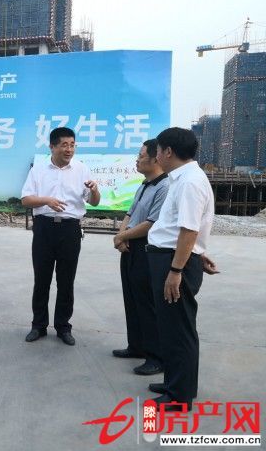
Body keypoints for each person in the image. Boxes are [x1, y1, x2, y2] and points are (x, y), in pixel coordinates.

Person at [145, 127, 218, 411]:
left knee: (179, 330)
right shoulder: (183, 178)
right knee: (171, 327)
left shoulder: (189, 182)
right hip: (174, 259)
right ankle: (174, 382)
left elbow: (189, 229)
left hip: (173, 263)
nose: (155, 156)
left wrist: (177, 270)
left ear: (168, 152)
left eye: (157, 151)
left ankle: (179, 396)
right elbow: (186, 228)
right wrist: (198, 254)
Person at [21, 127, 100, 346]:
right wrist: (46, 200)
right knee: (42, 279)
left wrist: (95, 190)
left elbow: (94, 202)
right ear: (52, 146)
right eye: (64, 145)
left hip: (70, 230)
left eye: (72, 145)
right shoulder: (39, 170)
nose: (69, 149)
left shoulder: (81, 169)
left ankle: (63, 327)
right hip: (44, 229)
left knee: (66, 281)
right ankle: (38, 326)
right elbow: (26, 200)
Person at [112, 139, 168, 376]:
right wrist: (121, 236)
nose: (137, 159)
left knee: (147, 304)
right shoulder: (144, 185)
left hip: (146, 248)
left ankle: (155, 357)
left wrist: (122, 236)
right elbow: (130, 213)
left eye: (141, 155)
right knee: (132, 299)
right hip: (129, 247)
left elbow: (151, 224)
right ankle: (136, 346)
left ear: (156, 159)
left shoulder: (165, 187)